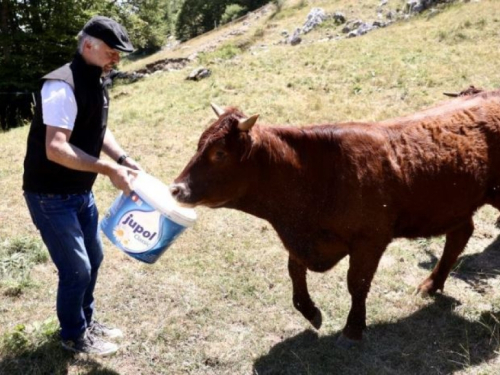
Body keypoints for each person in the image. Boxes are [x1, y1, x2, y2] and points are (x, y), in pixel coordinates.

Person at [22, 16, 141, 356]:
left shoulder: (97, 80)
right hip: (49, 196)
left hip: (80, 192)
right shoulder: (61, 86)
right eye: (111, 51)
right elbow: (55, 148)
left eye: (119, 53)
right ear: (88, 45)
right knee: (77, 269)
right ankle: (73, 336)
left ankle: (86, 321)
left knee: (94, 257)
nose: (116, 59)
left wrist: (123, 159)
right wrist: (107, 170)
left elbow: (98, 129)